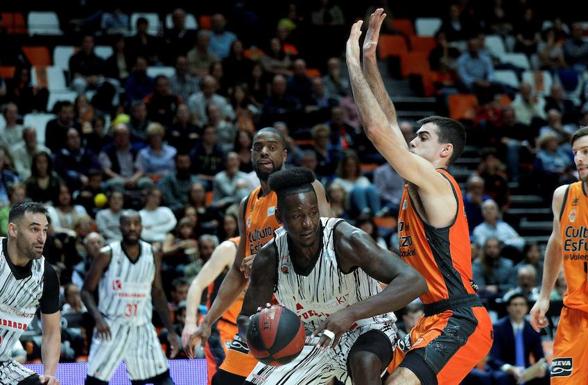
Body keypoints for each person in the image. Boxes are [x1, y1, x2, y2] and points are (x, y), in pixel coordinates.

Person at [346, 9, 492, 385]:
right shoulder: (419, 181)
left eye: (423, 138)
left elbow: (378, 130)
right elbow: (391, 122)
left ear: (445, 151)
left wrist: (349, 59)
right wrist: (369, 58)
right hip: (431, 317)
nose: (412, 141)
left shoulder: (438, 182)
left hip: (460, 319)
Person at [238, 167, 425, 385]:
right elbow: (245, 317)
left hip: (367, 328)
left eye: (313, 213)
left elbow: (414, 281)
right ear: (280, 217)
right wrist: (258, 332)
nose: (308, 223)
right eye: (298, 216)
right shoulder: (269, 258)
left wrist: (350, 314)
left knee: (364, 361)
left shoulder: (346, 240)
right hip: (308, 339)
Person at [183, 127, 330, 385]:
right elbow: (238, 271)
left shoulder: (304, 188)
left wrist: (268, 255)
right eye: (258, 147)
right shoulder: (247, 203)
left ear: (284, 154)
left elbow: (326, 246)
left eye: (271, 147)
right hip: (262, 315)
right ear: (249, 155)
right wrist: (207, 322)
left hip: (303, 312)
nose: (264, 151)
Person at [530, 122, 588, 384]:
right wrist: (544, 296)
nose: (578, 158)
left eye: (586, 151)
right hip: (576, 311)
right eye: (575, 152)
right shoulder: (563, 196)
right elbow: (557, 244)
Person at [81, 210, 180, 385]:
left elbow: (158, 292)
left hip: (142, 326)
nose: (132, 228)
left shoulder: (153, 253)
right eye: (127, 224)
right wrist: (98, 319)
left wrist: (171, 331)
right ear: (120, 227)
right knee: (95, 381)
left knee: (163, 379)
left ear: (142, 227)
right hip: (111, 326)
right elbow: (86, 291)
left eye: (136, 224)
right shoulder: (107, 254)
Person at [0, 202, 61, 385]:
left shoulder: (46, 276)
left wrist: (49, 374)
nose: (41, 238)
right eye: (34, 229)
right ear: (13, 230)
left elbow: (51, 332)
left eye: (44, 230)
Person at [183, 237, 241, 381]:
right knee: (225, 379)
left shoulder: (278, 247)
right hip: (222, 328)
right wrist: (190, 323)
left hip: (254, 329)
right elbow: (197, 284)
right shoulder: (229, 249)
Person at [492, 293, 548, 385]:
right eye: (515, 305)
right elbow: (494, 358)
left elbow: (540, 357)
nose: (518, 308)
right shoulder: (498, 328)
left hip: (526, 369)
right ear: (508, 308)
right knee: (502, 378)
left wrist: (542, 367)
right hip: (505, 368)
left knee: (546, 373)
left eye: (522, 304)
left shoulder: (533, 328)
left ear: (526, 308)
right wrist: (509, 368)